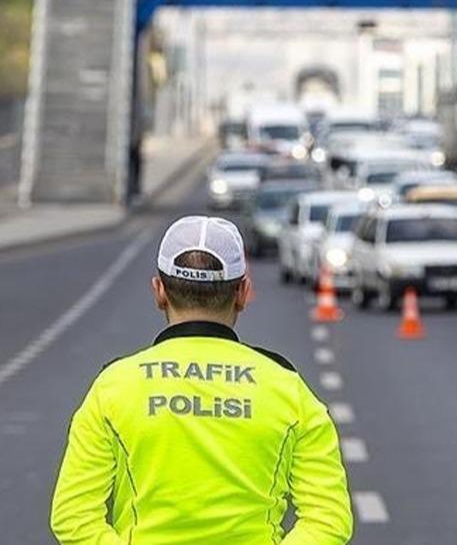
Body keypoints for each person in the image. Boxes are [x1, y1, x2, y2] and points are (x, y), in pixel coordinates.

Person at [51, 216, 353, 544]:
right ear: (243, 292)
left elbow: (72, 516)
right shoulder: (288, 389)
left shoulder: (114, 387)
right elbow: (329, 519)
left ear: (159, 291)